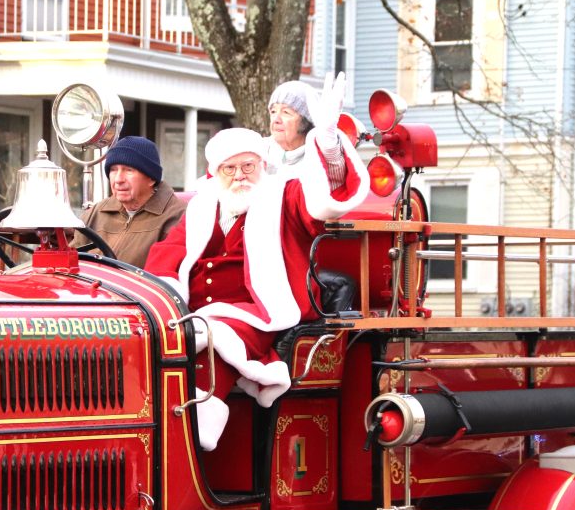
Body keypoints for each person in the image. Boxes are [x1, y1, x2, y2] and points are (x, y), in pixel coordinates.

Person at [144, 73, 368, 451]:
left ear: (262, 167)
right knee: (162, 335)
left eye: (248, 167)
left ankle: (197, 419)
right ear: (215, 173)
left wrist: (328, 142)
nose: (240, 176)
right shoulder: (201, 207)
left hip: (261, 307)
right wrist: (164, 300)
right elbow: (167, 256)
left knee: (217, 337)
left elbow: (324, 198)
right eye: (230, 169)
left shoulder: (282, 196)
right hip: (197, 308)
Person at [70, 136, 186, 268]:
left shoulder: (178, 217)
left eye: (129, 170)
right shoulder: (95, 213)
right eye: (113, 170)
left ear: (151, 179)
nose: (118, 179)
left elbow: (167, 277)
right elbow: (71, 262)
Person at [265, 80, 318, 179]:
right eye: (273, 111)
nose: (276, 119)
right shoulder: (258, 151)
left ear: (306, 121)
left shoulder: (319, 160)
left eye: (286, 112)